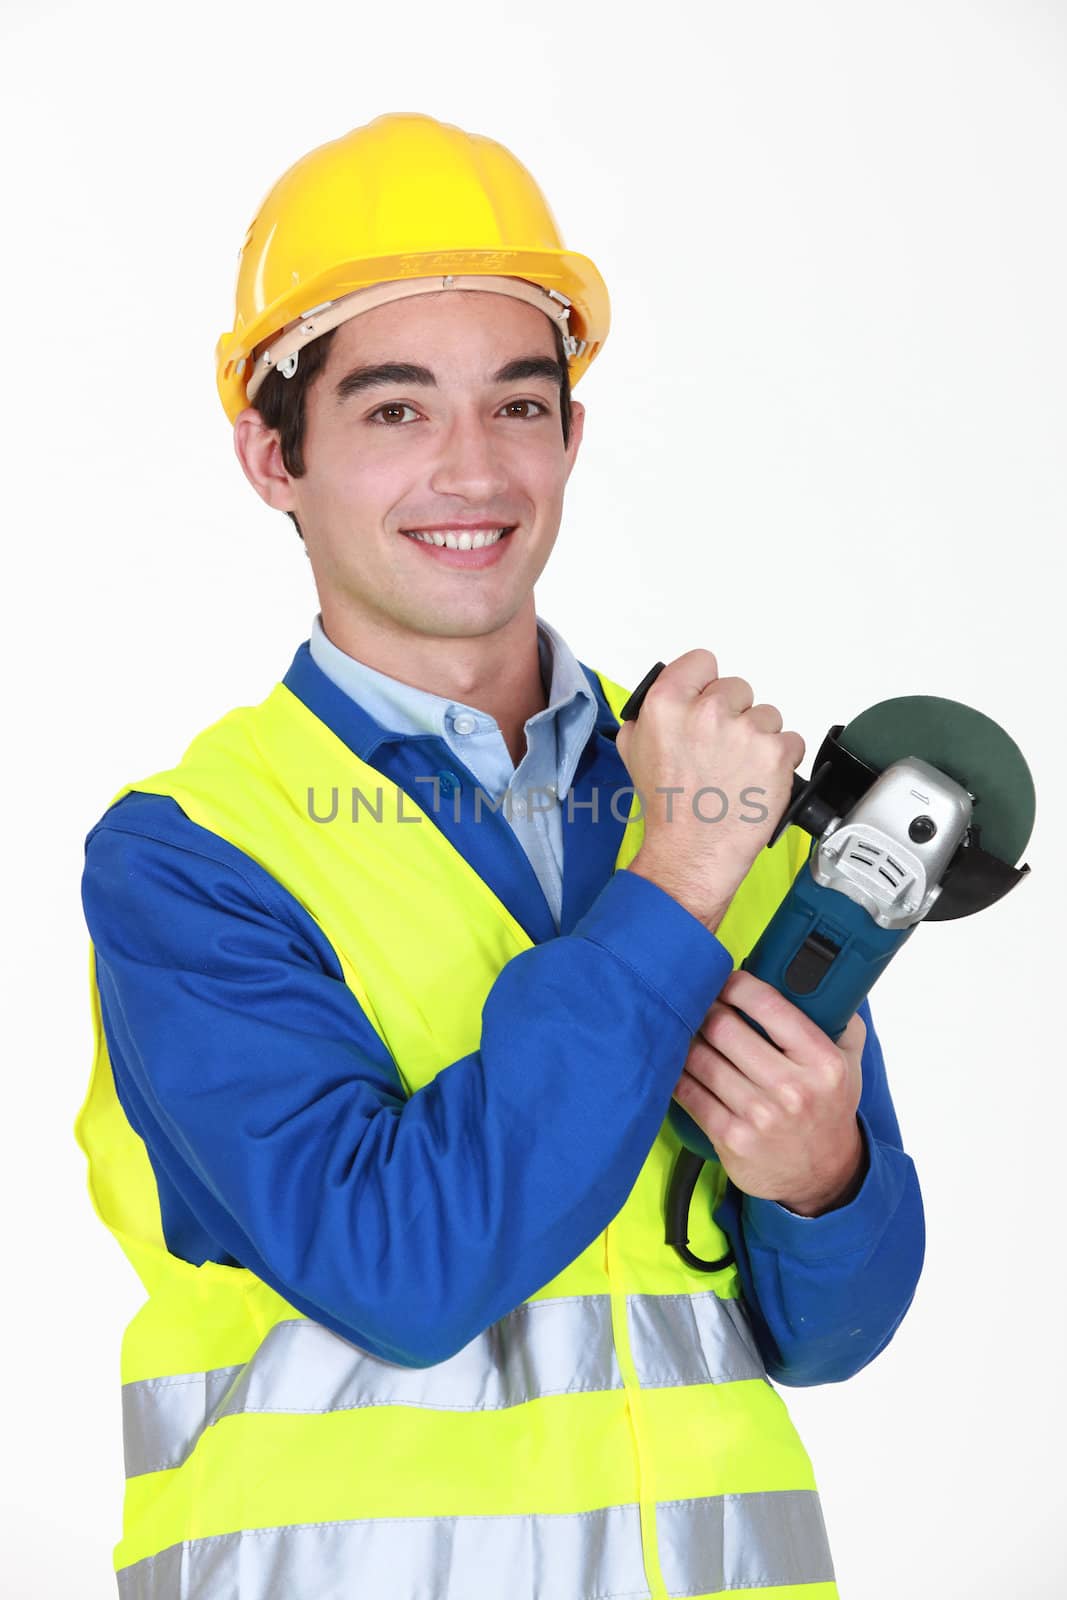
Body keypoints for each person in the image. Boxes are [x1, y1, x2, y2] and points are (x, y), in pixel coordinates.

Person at [77, 112, 924, 1600]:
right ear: (272, 454)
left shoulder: (702, 783)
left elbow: (828, 1337)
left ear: (572, 434)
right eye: (395, 412)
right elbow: (404, 1272)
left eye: (519, 406)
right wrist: (674, 885)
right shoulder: (189, 859)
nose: (473, 472)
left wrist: (823, 1181)